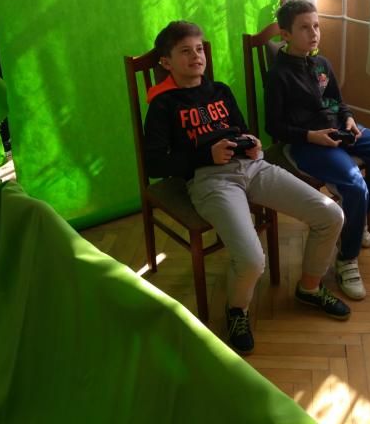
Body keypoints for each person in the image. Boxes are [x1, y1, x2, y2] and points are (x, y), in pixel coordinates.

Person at [143, 21, 351, 355]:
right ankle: (237, 309)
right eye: (185, 51)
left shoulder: (220, 90)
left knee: (331, 215)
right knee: (253, 260)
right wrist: (205, 155)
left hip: (253, 167)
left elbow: (240, 128)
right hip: (210, 180)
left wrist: (251, 142)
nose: (196, 56)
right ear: (166, 62)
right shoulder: (163, 106)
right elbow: (155, 164)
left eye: (199, 49)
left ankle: (309, 288)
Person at [264, 0, 370, 301]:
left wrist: (349, 118)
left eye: (316, 26)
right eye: (304, 28)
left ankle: (355, 218)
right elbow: (274, 127)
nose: (314, 33)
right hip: (307, 143)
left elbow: (338, 101)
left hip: (341, 131)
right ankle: (347, 258)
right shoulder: (279, 74)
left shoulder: (322, 64)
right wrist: (311, 136)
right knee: (355, 187)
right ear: (286, 34)